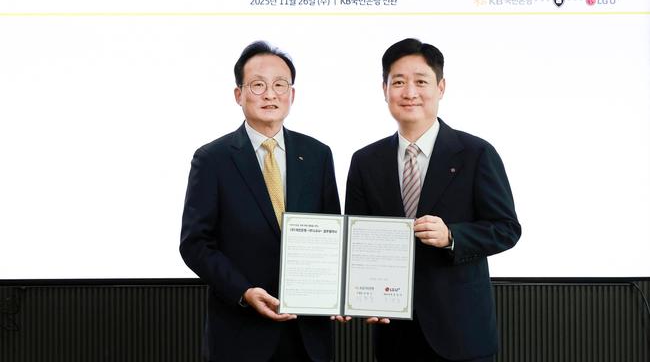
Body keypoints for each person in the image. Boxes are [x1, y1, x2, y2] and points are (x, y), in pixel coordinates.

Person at [345, 38, 521, 362]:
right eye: (399, 82)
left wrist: (452, 236)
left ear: (441, 88)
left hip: (461, 332)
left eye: (421, 81)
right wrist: (360, 296)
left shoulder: (476, 153)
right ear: (384, 89)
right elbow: (357, 240)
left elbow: (506, 229)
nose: (410, 92)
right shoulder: (365, 161)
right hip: (394, 333)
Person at [180, 41, 341, 362]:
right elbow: (195, 243)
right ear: (238, 94)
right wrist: (243, 291)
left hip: (308, 334)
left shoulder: (317, 155)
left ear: (292, 95)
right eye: (258, 85)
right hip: (242, 332)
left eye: (280, 85)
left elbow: (333, 234)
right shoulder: (212, 159)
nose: (270, 94)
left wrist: (342, 293)